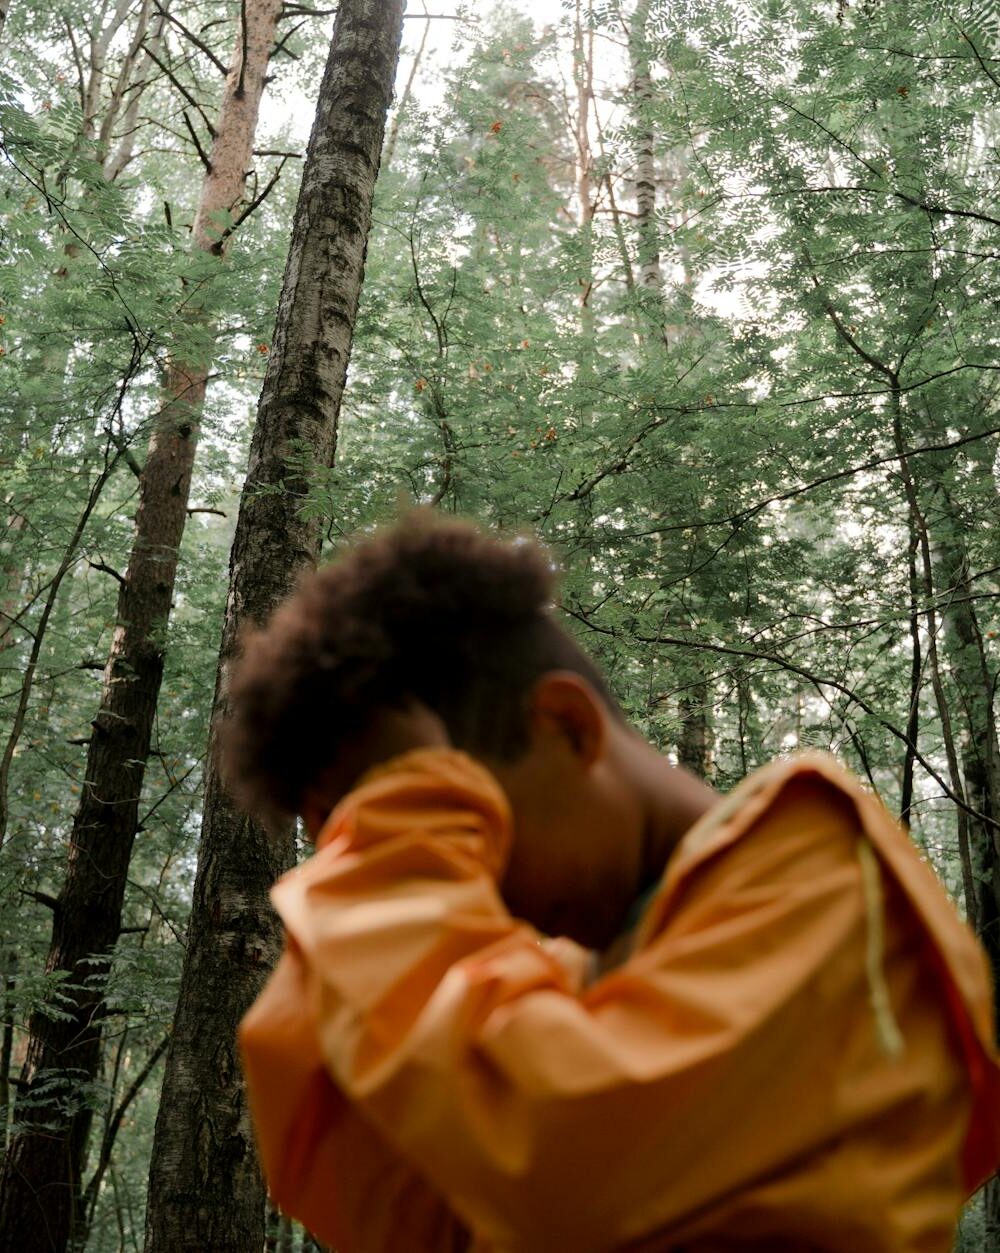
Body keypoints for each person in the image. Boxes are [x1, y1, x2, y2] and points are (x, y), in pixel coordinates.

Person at [229, 515, 1000, 1252]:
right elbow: (386, 1189)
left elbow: (561, 1166)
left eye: (474, 836)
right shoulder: (589, 992)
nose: (483, 908)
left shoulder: (822, 875)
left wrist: (400, 844)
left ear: (566, 725)